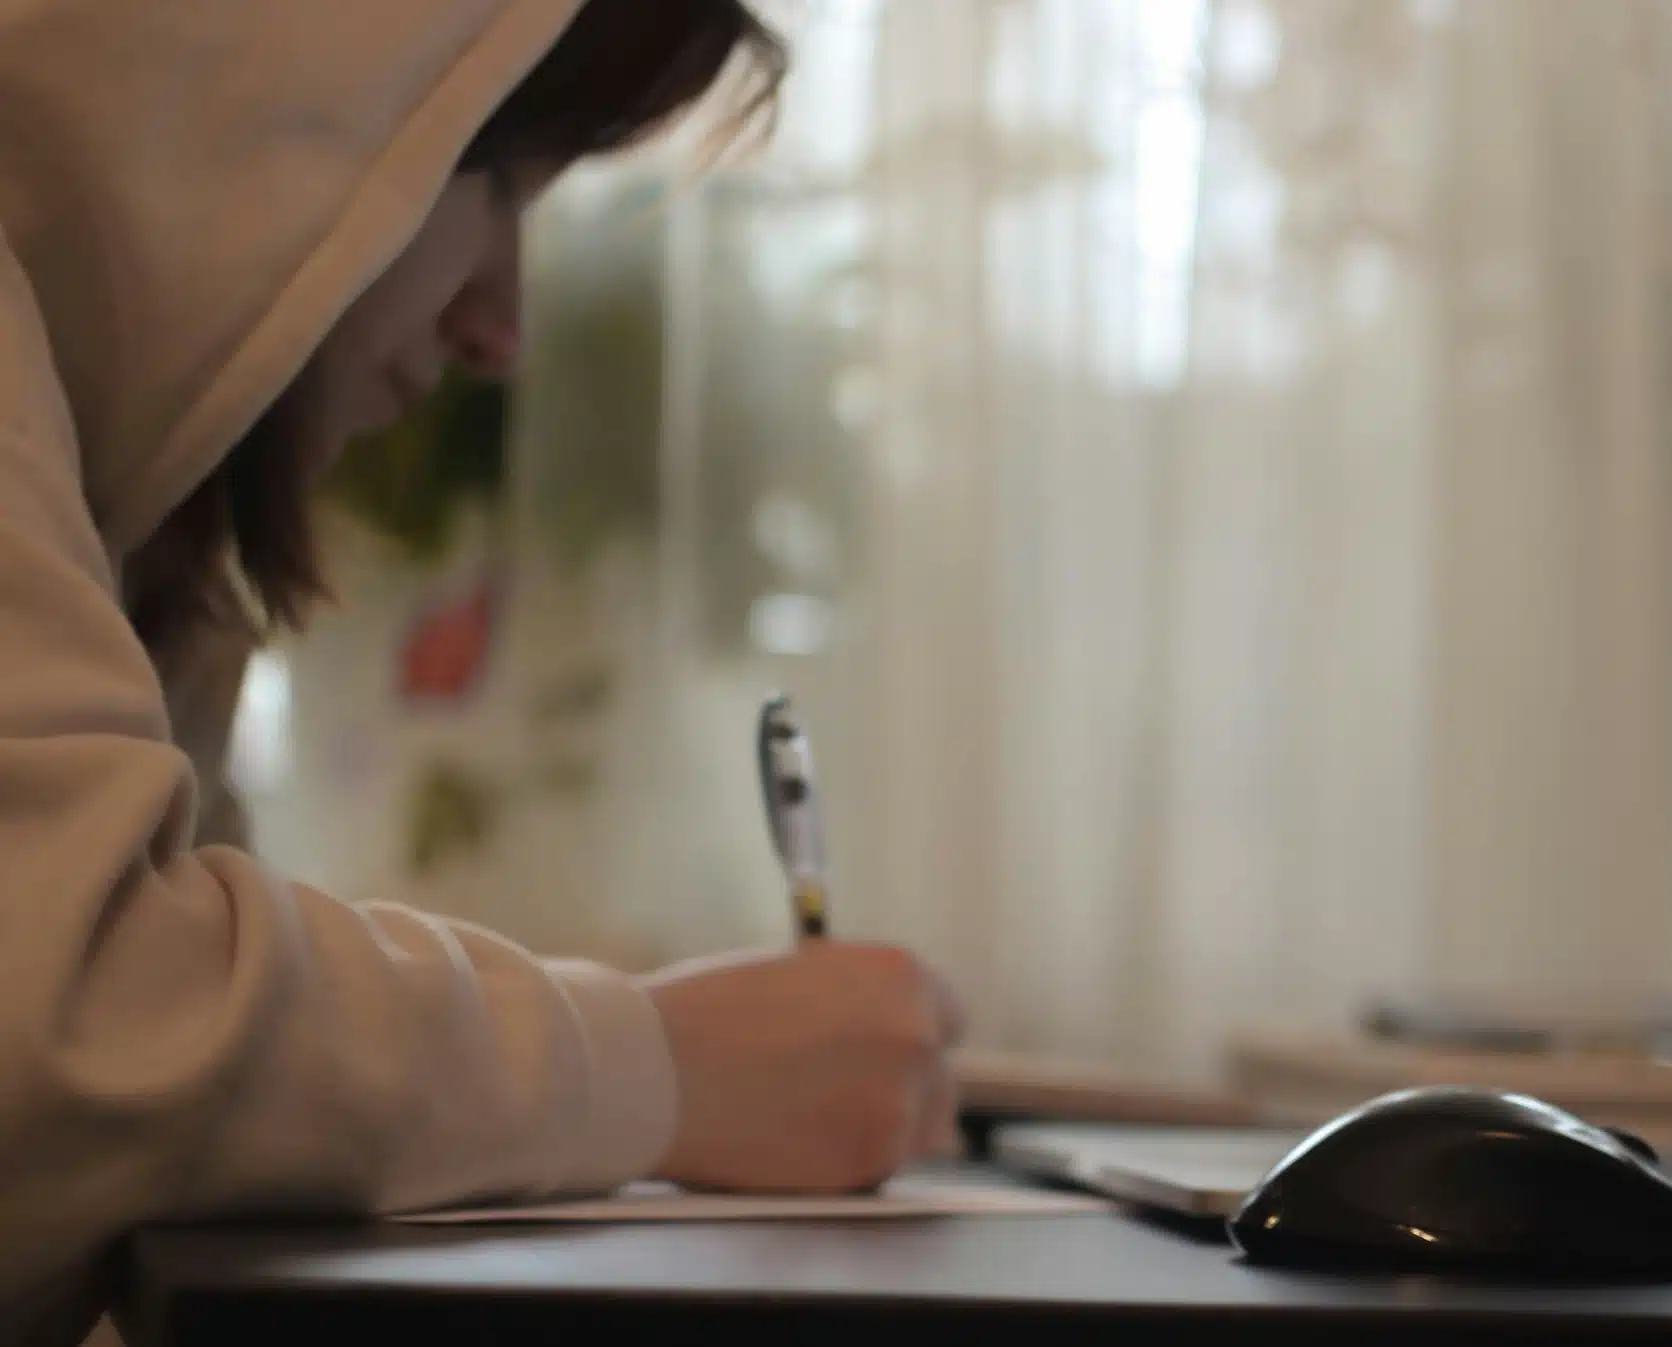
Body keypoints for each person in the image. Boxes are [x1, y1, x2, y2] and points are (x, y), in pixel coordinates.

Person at [0, 4, 965, 1344]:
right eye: (498, 177)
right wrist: (665, 1065)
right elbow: (65, 1030)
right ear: (252, 93)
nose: (499, 331)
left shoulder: (134, 553)